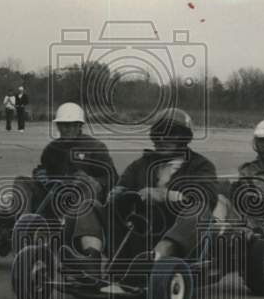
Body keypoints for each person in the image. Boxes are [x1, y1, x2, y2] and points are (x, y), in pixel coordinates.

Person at [73, 108, 217, 267]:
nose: (162, 139)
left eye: (170, 134)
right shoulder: (140, 165)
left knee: (199, 210)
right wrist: (117, 194)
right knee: (89, 206)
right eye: (158, 133)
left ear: (183, 138)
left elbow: (207, 198)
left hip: (176, 232)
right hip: (137, 231)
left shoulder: (200, 166)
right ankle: (91, 259)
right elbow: (120, 189)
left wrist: (165, 195)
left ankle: (155, 258)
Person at [12, 102, 117, 220]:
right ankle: (23, 224)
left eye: (72, 125)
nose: (67, 129)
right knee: (21, 181)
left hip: (81, 198)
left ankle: (73, 229)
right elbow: (42, 168)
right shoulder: (52, 148)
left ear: (79, 126)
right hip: (53, 194)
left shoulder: (95, 147)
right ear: (58, 126)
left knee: (85, 187)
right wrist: (40, 174)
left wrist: (93, 181)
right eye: (64, 125)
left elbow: (112, 177)